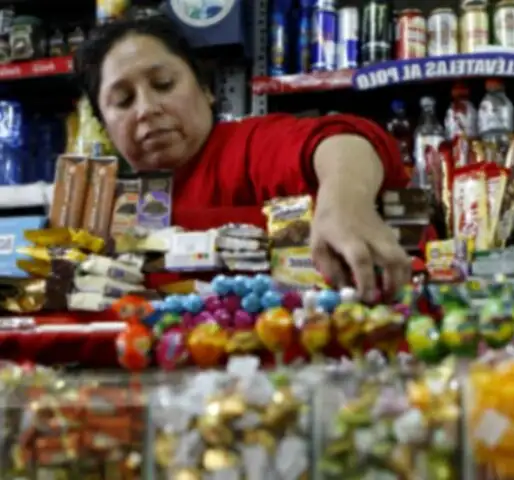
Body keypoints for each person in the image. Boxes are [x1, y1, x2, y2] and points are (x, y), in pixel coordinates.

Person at [73, 16, 411, 302]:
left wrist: (345, 204)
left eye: (163, 84)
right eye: (123, 100)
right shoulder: (102, 207)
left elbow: (344, 140)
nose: (146, 109)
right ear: (104, 126)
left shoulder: (246, 145)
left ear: (206, 90)